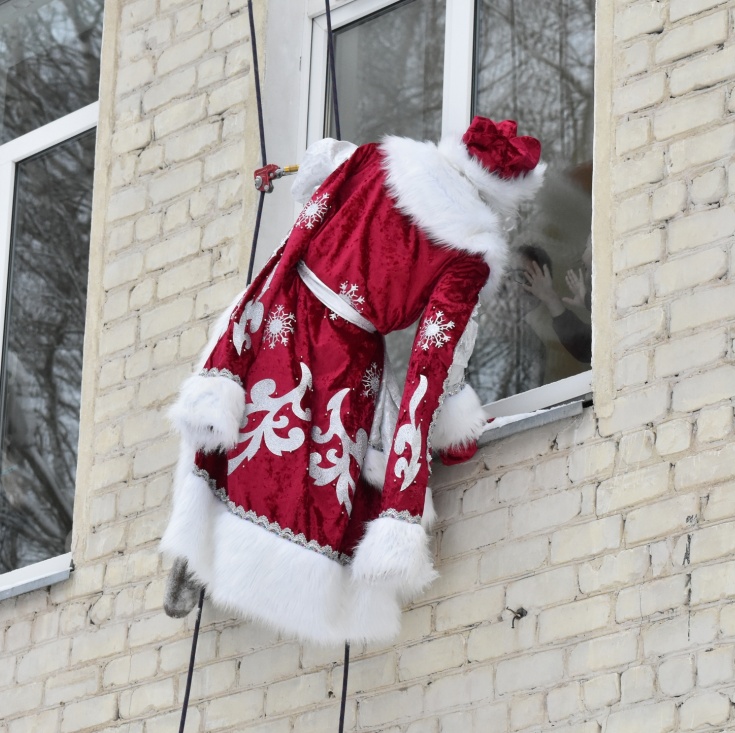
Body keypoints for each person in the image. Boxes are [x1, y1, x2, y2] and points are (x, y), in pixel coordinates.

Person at [162, 117, 546, 644]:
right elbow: (434, 360)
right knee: (317, 471)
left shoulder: (374, 158)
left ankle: (197, 551)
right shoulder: (467, 256)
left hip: (283, 305)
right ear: (505, 196)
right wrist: (446, 432)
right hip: (344, 352)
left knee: (242, 425)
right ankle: (269, 579)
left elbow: (317, 173)